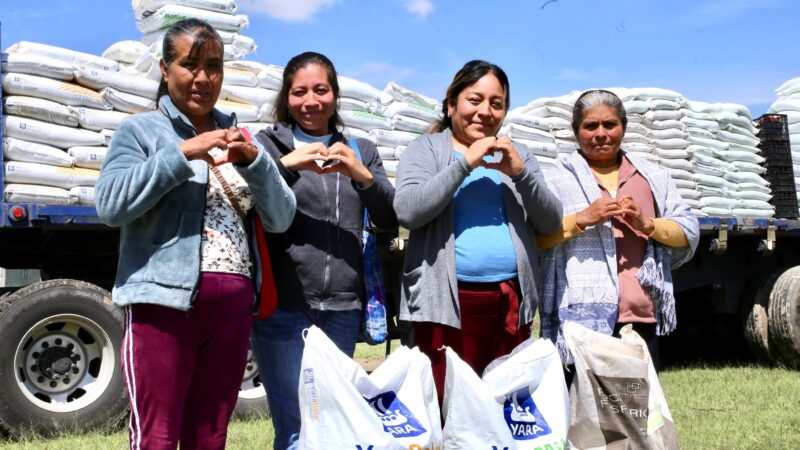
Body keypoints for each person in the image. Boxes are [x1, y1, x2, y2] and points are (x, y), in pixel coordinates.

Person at [95, 19, 296, 449]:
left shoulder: (239, 136)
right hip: (165, 302)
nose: (204, 78)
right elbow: (110, 205)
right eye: (190, 65)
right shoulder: (142, 131)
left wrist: (256, 162)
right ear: (165, 70)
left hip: (234, 303)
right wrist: (181, 153)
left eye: (214, 66)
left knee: (210, 434)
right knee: (158, 434)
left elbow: (281, 218)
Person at [393, 60, 563, 406]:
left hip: (508, 301)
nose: (485, 111)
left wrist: (520, 174)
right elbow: (409, 210)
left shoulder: (518, 155)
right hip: (445, 302)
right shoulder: (425, 150)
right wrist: (464, 163)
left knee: (503, 405)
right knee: (448, 404)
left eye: (496, 103)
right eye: (474, 100)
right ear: (452, 104)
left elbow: (551, 221)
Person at [250, 51, 397, 450]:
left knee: (334, 420)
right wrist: (285, 165)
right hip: (283, 305)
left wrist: (362, 175)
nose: (310, 101)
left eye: (321, 90)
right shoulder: (266, 144)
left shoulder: (360, 149)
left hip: (343, 309)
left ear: (335, 94)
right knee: (295, 423)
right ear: (286, 96)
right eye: (300, 92)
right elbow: (246, 201)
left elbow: (389, 216)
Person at [537, 89, 700, 374]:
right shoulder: (555, 177)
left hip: (639, 318)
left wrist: (647, 224)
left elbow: (687, 230)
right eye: (590, 126)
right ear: (576, 131)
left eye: (609, 124)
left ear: (623, 127)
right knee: (581, 414)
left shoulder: (650, 176)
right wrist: (582, 219)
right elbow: (534, 237)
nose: (601, 133)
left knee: (636, 414)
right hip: (579, 321)